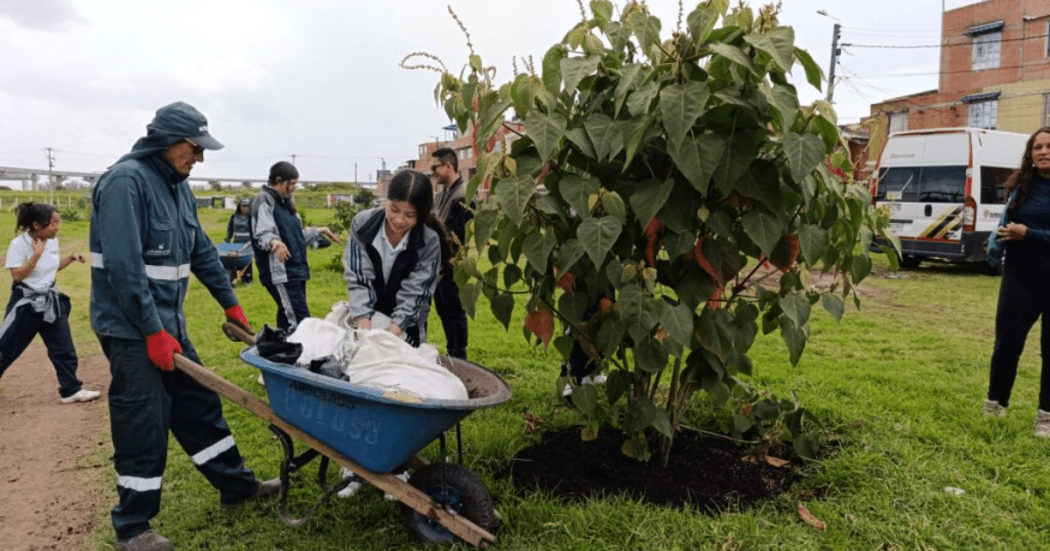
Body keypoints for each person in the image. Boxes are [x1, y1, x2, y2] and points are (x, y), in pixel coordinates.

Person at [90, 102, 278, 551]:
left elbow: (202, 253)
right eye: (194, 148)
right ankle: (132, 526)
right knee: (143, 421)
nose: (200, 158)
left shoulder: (178, 188)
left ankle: (236, 485)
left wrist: (231, 304)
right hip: (132, 329)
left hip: (167, 325)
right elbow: (124, 268)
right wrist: (151, 331)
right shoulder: (125, 183)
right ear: (166, 141)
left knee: (198, 405)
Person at [985, 126, 1050, 437]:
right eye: (1037, 147)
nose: (1043, 152)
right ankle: (995, 405)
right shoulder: (1022, 185)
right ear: (1030, 154)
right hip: (1020, 275)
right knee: (1006, 345)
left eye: (1049, 146)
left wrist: (1028, 234)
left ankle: (1046, 417)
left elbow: (1024, 230)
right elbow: (1007, 222)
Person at [0, 203, 99, 404]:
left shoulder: (52, 242)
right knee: (6, 347)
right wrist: (36, 255)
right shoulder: (19, 244)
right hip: (26, 304)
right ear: (37, 225)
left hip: (51, 301)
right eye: (53, 223)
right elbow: (17, 276)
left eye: (58, 222)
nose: (57, 227)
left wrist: (70, 258)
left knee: (64, 348)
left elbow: (51, 268)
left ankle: (71, 390)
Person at [344, 169, 450, 347]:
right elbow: (359, 278)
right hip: (369, 316)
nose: (399, 220)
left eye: (410, 215)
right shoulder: (363, 225)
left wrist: (389, 337)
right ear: (387, 200)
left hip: (406, 325)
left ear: (421, 214)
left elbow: (415, 294)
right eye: (394, 210)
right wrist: (364, 332)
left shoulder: (428, 241)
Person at [250, 161, 341, 332]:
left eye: (295, 184)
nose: (293, 188)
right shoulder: (264, 201)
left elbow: (296, 236)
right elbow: (262, 233)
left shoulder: (287, 205)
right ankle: (301, 348)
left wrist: (318, 231)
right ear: (279, 180)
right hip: (281, 272)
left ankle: (281, 346)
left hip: (297, 271)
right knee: (301, 323)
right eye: (291, 183)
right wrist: (275, 243)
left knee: (287, 318)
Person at [430, 147, 471, 359]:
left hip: (453, 266)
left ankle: (459, 358)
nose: (433, 172)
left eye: (435, 167)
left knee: (454, 312)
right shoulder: (441, 195)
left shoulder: (462, 196)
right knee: (443, 311)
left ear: (448, 166)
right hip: (440, 266)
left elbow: (460, 237)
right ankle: (452, 354)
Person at [224, 199, 253, 284]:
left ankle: (247, 278)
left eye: (247, 206)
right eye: (243, 206)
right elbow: (230, 230)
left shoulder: (252, 217)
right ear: (240, 207)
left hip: (248, 242)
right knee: (233, 259)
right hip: (236, 241)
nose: (245, 208)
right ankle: (232, 277)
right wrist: (228, 241)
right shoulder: (234, 217)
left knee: (246, 260)